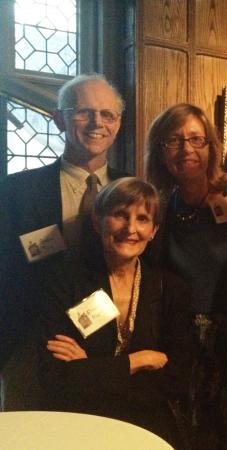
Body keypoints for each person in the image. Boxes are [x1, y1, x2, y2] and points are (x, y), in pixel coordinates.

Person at [0, 73, 127, 410]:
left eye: (107, 114)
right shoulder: (16, 192)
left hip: (107, 350)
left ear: (117, 124)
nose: (96, 122)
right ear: (59, 119)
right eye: (83, 112)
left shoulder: (134, 192)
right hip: (31, 348)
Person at [39, 177, 193, 446]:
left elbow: (177, 376)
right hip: (80, 426)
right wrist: (138, 361)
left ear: (154, 230)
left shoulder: (171, 288)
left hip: (148, 428)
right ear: (98, 222)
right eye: (120, 215)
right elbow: (56, 376)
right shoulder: (64, 283)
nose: (130, 228)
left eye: (142, 219)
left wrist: (90, 369)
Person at [145, 103, 227, 449]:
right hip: (182, 339)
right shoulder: (161, 205)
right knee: (186, 430)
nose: (186, 149)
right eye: (173, 141)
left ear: (211, 147)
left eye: (196, 139)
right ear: (160, 152)